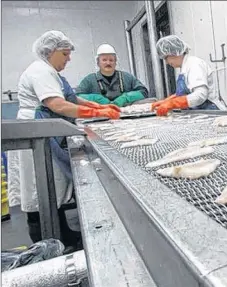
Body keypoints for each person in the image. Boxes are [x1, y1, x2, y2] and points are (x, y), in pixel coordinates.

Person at [16, 30, 120, 251]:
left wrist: (97, 106)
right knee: (39, 186)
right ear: (51, 51)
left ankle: (62, 231)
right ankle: (45, 239)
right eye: (65, 54)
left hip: (47, 130)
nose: (68, 58)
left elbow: (70, 97)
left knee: (56, 184)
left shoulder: (51, 72)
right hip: (37, 133)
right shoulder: (41, 71)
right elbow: (58, 105)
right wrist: (94, 114)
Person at [152, 35, 227, 116]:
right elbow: (186, 93)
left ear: (174, 53)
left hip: (210, 113)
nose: (166, 62)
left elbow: (200, 95)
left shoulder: (194, 64)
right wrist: (166, 101)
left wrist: (172, 103)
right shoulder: (185, 67)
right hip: (198, 113)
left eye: (166, 58)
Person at [76, 43, 149, 107]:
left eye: (111, 60)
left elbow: (143, 92)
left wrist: (125, 98)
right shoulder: (89, 80)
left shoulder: (127, 77)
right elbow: (76, 97)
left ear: (116, 62)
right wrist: (96, 98)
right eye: (104, 60)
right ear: (98, 62)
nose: (108, 63)